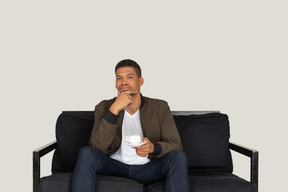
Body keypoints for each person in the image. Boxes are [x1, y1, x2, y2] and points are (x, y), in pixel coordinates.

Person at [71, 59, 189, 192]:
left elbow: (176, 145)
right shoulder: (104, 107)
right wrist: (114, 110)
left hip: (148, 168)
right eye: (119, 78)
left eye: (130, 77)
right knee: (86, 152)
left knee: (179, 158)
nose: (124, 82)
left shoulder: (160, 107)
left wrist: (152, 148)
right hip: (114, 166)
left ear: (141, 81)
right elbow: (97, 148)